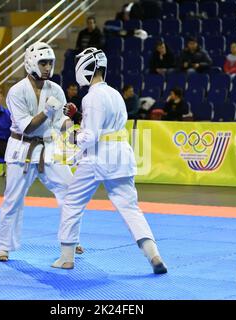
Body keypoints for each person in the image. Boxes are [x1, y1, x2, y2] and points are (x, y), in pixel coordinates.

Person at [51, 47, 167, 274]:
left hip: (98, 156)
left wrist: (73, 135)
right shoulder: (115, 94)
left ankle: (66, 257)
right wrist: (79, 119)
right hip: (121, 154)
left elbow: (91, 135)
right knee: (130, 208)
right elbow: (103, 125)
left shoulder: (91, 97)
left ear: (85, 67)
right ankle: (154, 254)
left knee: (72, 201)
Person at [0, 42, 83, 262]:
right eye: (43, 62)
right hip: (22, 149)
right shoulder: (16, 92)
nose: (47, 67)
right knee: (13, 199)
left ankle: (71, 240)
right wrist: (47, 111)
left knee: (70, 191)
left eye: (50, 63)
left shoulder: (56, 90)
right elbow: (27, 126)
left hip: (48, 147)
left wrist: (74, 133)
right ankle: (4, 247)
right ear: (31, 62)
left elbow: (60, 121)